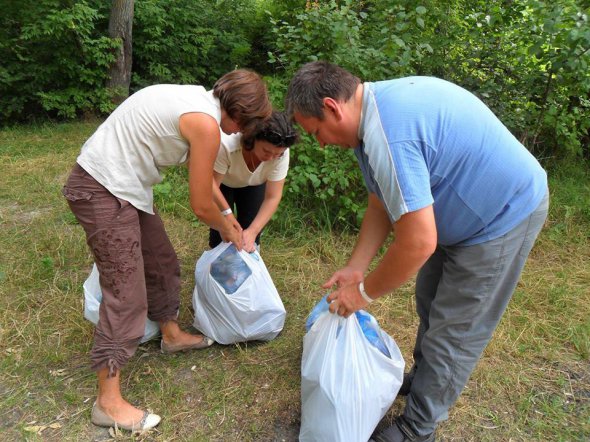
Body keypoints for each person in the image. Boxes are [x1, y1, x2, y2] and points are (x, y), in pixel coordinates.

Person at [285, 61, 548, 442]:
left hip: (501, 216)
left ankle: (417, 427)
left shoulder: (390, 136)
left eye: (317, 132)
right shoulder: (369, 118)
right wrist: (357, 267)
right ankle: (425, 379)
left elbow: (418, 243)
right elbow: (380, 202)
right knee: (429, 299)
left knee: (454, 330)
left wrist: (361, 295)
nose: (321, 143)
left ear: (332, 107)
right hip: (453, 216)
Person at [62, 69, 272, 432]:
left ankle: (171, 336)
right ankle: (107, 402)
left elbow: (208, 189)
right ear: (237, 113)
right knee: (125, 291)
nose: (240, 133)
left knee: (160, 260)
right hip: (101, 187)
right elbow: (199, 202)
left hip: (126, 188)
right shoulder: (205, 123)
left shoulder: (197, 99)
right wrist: (229, 228)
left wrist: (227, 215)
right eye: (244, 125)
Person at [209, 111, 298, 252]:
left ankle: (246, 268)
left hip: (254, 184)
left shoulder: (281, 153)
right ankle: (218, 266)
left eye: (277, 154)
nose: (271, 158)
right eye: (266, 151)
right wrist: (226, 217)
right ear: (253, 138)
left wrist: (253, 231)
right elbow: (211, 187)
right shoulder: (227, 144)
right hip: (222, 183)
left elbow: (273, 197)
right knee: (222, 232)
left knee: (250, 233)